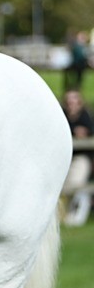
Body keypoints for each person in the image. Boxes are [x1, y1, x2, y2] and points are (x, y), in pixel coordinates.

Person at [63, 89, 93, 225]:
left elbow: (89, 134)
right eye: (69, 100)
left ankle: (76, 216)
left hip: (82, 157)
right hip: (65, 158)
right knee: (65, 186)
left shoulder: (85, 116)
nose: (72, 103)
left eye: (74, 100)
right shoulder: (62, 116)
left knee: (76, 183)